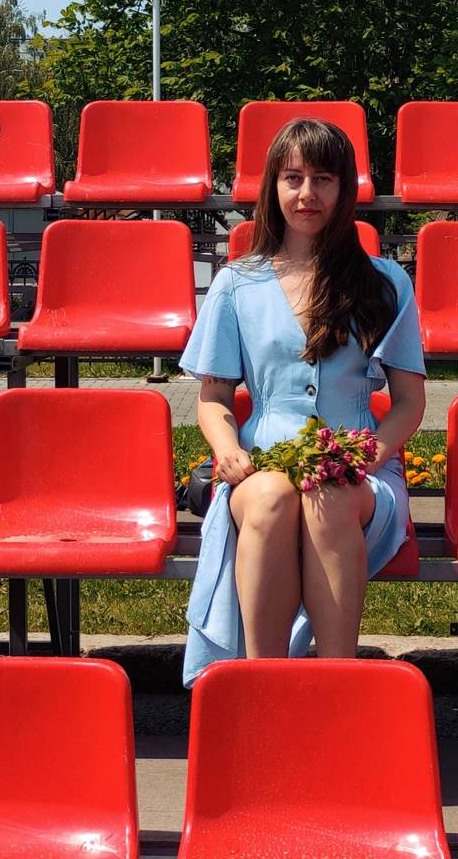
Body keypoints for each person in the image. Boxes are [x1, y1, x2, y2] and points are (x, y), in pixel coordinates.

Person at [179, 118, 426, 686]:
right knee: (271, 497)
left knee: (329, 497)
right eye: (293, 178)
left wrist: (370, 455)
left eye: (323, 179)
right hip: (260, 465)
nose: (307, 193)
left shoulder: (385, 282)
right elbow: (214, 398)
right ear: (274, 186)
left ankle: (336, 683)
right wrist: (227, 449)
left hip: (360, 475)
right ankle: (262, 686)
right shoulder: (236, 284)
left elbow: (410, 402)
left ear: (344, 190)